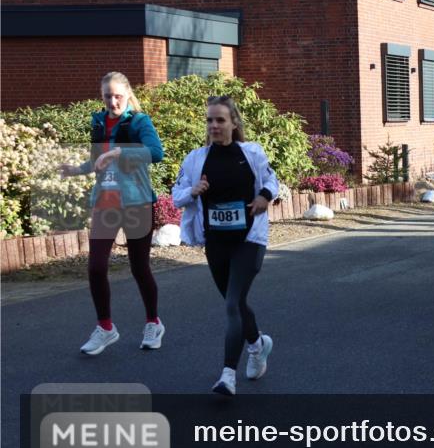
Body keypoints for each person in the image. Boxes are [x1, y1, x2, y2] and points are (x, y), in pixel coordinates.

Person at [172, 95, 279, 396]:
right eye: (210, 120)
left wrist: (264, 198)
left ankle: (227, 375)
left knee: (232, 303)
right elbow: (176, 195)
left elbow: (273, 181)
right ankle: (257, 345)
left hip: (249, 240)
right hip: (216, 242)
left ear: (233, 122)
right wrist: (193, 191)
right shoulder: (195, 159)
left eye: (220, 120)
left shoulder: (251, 153)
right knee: (237, 303)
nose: (214, 125)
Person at [60, 72, 165, 356]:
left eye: (118, 95)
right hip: (105, 202)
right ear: (102, 96)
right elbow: (98, 160)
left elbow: (156, 152)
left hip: (136, 203)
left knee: (139, 268)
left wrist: (120, 153)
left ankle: (153, 322)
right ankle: (106, 328)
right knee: (95, 268)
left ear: (128, 95)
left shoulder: (139, 121)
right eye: (108, 96)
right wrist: (76, 169)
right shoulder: (98, 122)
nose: (113, 101)